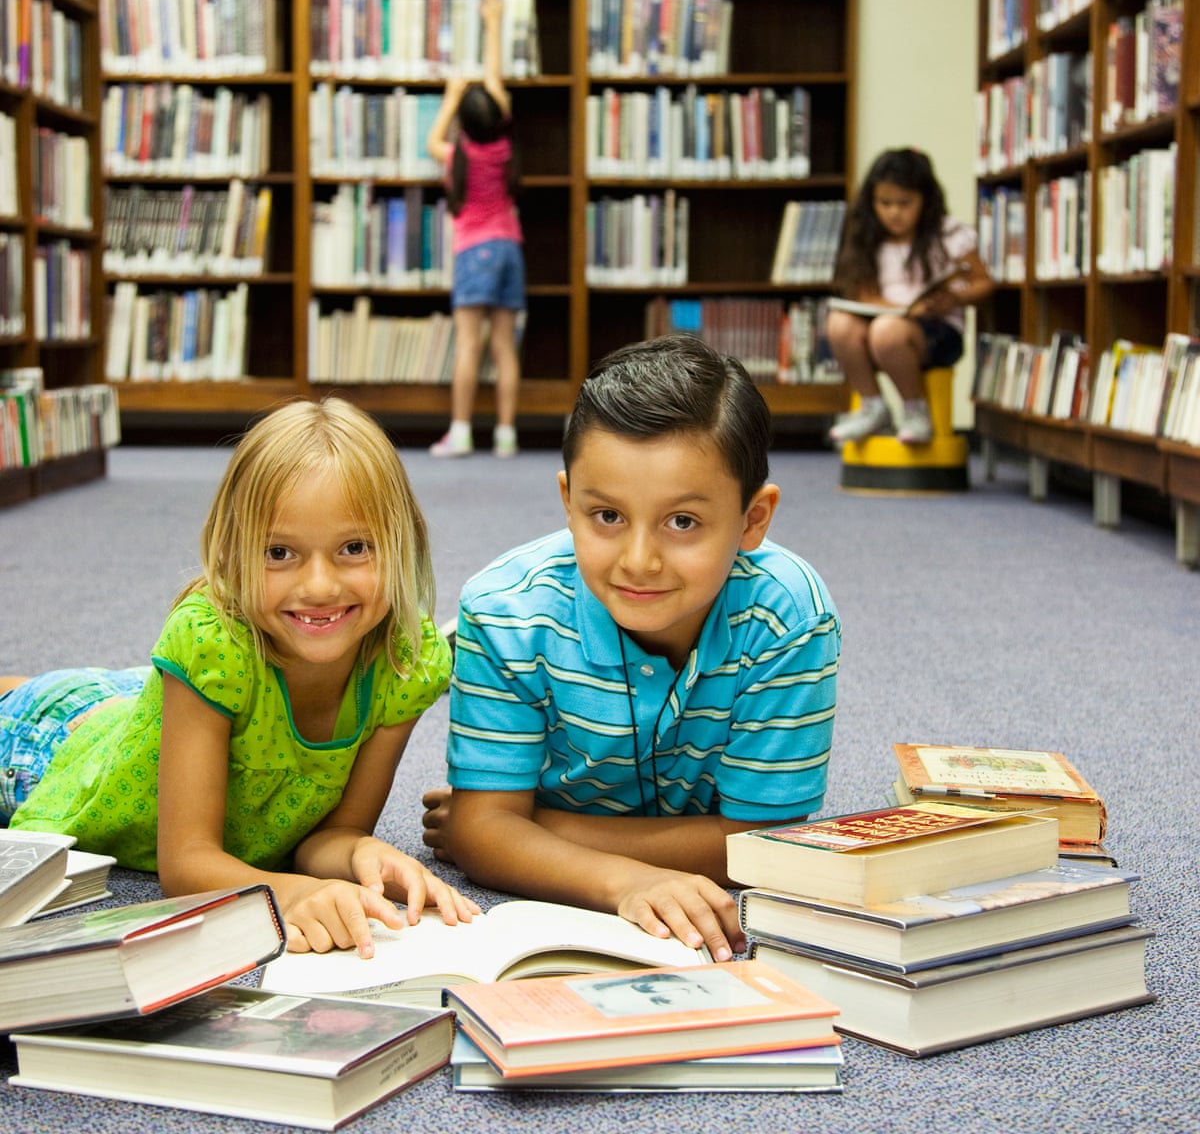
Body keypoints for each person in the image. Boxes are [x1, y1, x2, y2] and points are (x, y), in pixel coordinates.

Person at [1, 397, 477, 958]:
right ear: (232, 551)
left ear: (403, 541)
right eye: (280, 552)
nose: (320, 586)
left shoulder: (406, 660)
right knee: (49, 700)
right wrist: (291, 894)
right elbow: (185, 864)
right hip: (53, 743)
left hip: (166, 702)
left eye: (354, 548)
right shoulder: (210, 645)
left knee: (137, 697)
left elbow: (331, 835)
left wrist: (359, 855)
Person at [421, 336, 840, 962]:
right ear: (568, 501)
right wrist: (626, 880)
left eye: (683, 523)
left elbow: (765, 844)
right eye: (607, 517)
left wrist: (529, 826)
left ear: (754, 519)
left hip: (557, 818)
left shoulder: (792, 619)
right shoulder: (503, 611)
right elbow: (483, 842)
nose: (639, 562)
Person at [826, 147, 994, 445]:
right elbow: (863, 294)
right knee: (839, 323)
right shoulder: (867, 238)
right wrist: (902, 309)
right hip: (888, 324)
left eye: (905, 203)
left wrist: (955, 299)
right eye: (885, 203)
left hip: (937, 333)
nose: (894, 212)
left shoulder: (948, 234)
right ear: (872, 202)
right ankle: (872, 406)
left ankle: (915, 410)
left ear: (925, 201)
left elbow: (983, 282)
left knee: (886, 331)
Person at [426, 0, 525, 459]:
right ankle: (506, 434)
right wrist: (494, 23)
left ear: (464, 123)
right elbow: (496, 81)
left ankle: (461, 430)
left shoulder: (458, 157)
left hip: (473, 250)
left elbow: (432, 141)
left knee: (469, 344)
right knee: (504, 344)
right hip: (510, 248)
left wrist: (449, 98)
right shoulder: (504, 148)